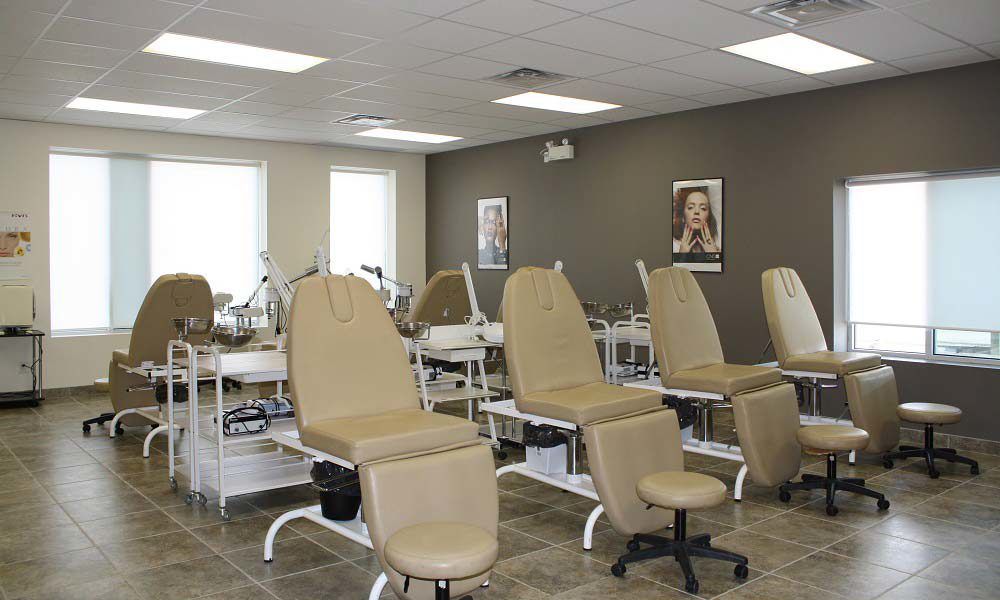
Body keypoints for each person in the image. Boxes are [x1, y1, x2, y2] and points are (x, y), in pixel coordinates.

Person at [672, 188, 720, 254]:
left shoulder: (716, 250)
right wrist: (682, 254)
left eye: (703, 208)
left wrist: (712, 254)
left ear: (708, 218)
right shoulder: (673, 246)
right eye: (690, 207)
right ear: (683, 216)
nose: (697, 211)